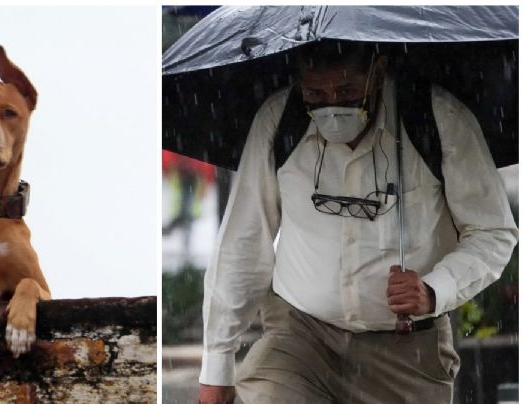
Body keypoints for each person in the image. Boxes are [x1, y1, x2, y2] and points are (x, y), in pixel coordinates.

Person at [197, 40, 518, 404]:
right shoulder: (280, 118)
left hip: (407, 355)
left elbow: (493, 232)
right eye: (316, 93)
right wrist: (217, 366)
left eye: (347, 90)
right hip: (299, 339)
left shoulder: (438, 117)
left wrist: (433, 290)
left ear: (378, 72)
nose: (332, 107)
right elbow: (243, 241)